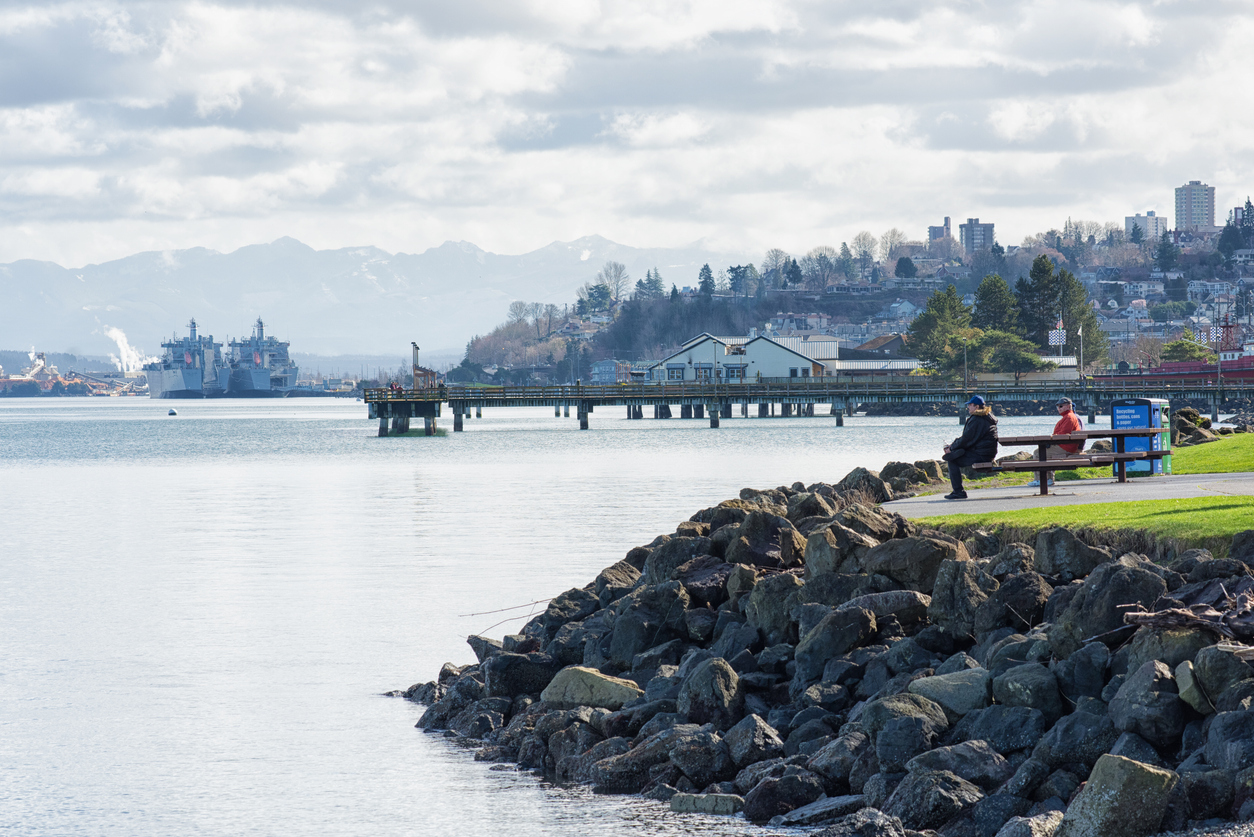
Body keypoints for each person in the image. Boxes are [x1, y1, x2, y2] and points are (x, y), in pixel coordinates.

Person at [941, 395, 999, 499]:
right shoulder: (987, 417)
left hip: (981, 454)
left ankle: (958, 491)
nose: (968, 407)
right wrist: (954, 447)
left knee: (952, 460)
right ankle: (958, 490)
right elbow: (970, 439)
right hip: (986, 453)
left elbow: (967, 439)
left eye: (970, 405)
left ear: (976, 407)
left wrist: (951, 448)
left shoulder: (977, 419)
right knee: (956, 453)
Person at [1028, 397, 1085, 487]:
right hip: (1066, 445)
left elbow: (1062, 435)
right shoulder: (1068, 417)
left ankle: (1040, 479)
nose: (1059, 408)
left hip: (1066, 447)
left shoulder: (1069, 418)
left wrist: (1050, 441)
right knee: (1045, 453)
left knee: (1038, 453)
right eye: (1057, 406)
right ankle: (1048, 479)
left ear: (1068, 406)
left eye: (1061, 406)